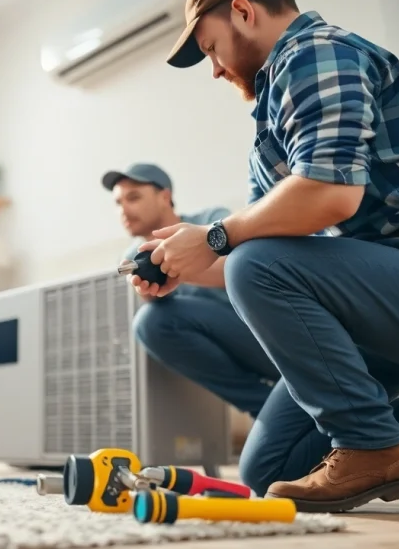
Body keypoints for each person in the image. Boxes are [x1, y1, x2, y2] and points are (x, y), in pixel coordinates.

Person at [129, 0, 399, 512]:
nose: (216, 70)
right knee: (269, 470)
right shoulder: (271, 118)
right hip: (378, 303)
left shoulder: (317, 52)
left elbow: (328, 196)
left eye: (211, 48)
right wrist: (179, 265)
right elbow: (250, 255)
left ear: (243, 13)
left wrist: (217, 235)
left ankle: (371, 446)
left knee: (256, 263)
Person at [103, 163, 279, 420]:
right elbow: (154, 303)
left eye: (134, 197)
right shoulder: (133, 256)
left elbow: (237, 272)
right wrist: (147, 287)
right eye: (118, 203)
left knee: (152, 320)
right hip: (220, 348)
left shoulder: (210, 221)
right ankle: (266, 409)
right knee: (150, 322)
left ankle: (280, 408)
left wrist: (177, 264)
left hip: (262, 333)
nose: (124, 210)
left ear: (164, 197)